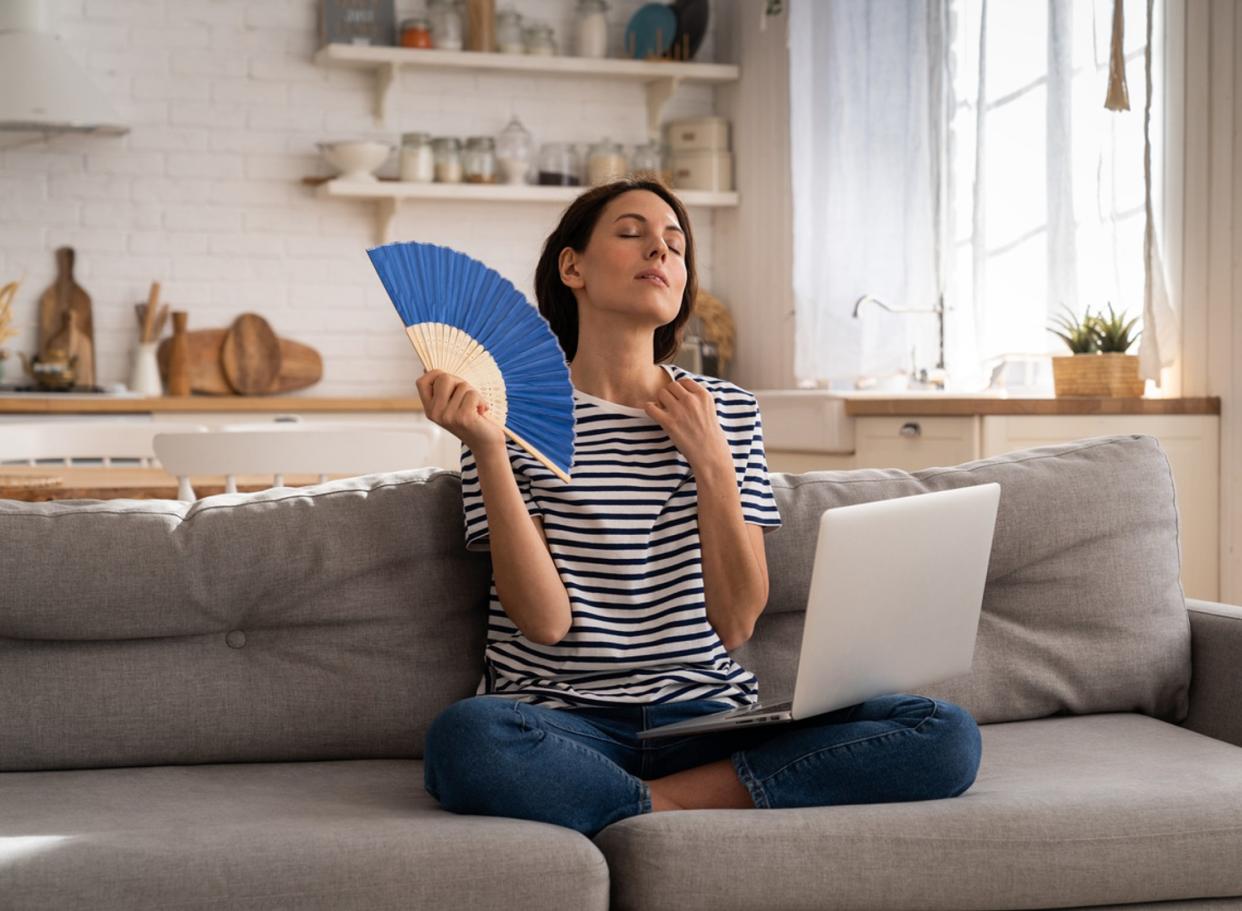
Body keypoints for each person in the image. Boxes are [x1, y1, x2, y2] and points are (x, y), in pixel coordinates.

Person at [416, 177, 982, 838]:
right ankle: (688, 805)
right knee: (466, 739)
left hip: (706, 720)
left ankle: (644, 804)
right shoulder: (505, 418)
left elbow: (737, 619)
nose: (659, 250)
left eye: (676, 245)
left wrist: (712, 460)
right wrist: (486, 449)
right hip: (565, 719)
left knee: (944, 733)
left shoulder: (730, 412)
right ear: (573, 266)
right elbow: (544, 621)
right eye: (632, 233)